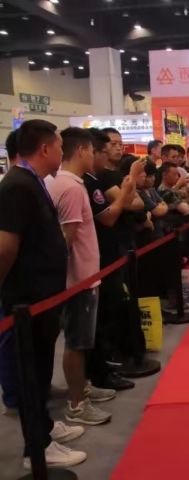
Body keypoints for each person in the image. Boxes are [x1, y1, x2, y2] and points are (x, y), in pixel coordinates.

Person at [0, 119, 87, 469]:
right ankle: (35, 448)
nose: (63, 154)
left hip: (43, 298)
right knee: (31, 372)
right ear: (45, 148)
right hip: (27, 301)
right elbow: (6, 248)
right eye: (60, 147)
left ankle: (45, 428)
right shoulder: (17, 186)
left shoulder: (32, 182)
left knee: (41, 369)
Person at [51, 128, 117, 426]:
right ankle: (77, 404)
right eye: (92, 150)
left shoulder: (70, 184)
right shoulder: (71, 188)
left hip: (84, 277)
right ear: (81, 151)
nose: (95, 155)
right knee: (76, 343)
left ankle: (83, 387)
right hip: (77, 280)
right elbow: (66, 241)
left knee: (82, 341)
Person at [82, 129, 137, 391]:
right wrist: (128, 187)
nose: (113, 151)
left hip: (108, 253)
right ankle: (100, 371)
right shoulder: (89, 181)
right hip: (96, 260)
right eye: (108, 148)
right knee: (99, 318)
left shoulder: (95, 178)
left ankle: (104, 365)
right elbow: (112, 214)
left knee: (110, 309)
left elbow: (137, 204)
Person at [0, 129, 20, 416]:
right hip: (11, 283)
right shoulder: (15, 186)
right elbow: (5, 248)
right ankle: (16, 397)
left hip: (21, 280)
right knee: (9, 340)